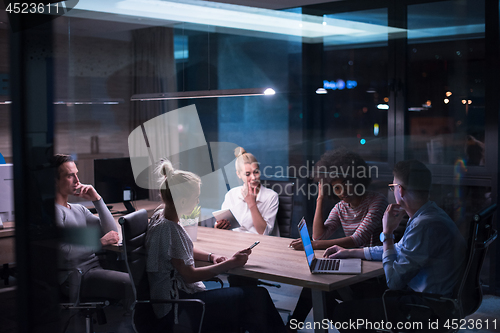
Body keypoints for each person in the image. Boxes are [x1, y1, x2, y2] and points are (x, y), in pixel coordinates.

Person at [145, 159, 286, 333]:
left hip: (174, 298)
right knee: (257, 296)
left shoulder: (161, 216)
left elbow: (179, 250)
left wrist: (211, 257)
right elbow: (189, 276)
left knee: (249, 303)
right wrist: (229, 263)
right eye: (196, 198)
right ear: (181, 201)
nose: (197, 202)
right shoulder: (170, 228)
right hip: (178, 305)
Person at [324, 160, 466, 332]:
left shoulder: (424, 225)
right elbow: (399, 249)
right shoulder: (429, 214)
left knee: (343, 313)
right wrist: (349, 252)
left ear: (400, 190)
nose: (392, 191)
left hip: (426, 306)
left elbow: (394, 281)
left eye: (392, 186)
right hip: (428, 297)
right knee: (339, 291)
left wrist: (388, 233)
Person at [287, 149, 388, 329]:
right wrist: (320, 198)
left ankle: (291, 328)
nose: (342, 191)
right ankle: (291, 328)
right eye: (336, 187)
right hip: (354, 267)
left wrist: (313, 244)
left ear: (357, 180)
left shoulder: (376, 201)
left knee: (317, 289)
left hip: (374, 275)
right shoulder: (340, 207)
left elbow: (357, 239)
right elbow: (319, 234)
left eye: (346, 184)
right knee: (315, 287)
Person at [53, 154, 132, 310]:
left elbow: (111, 232)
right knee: (133, 284)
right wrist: (100, 242)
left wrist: (97, 199)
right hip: (75, 277)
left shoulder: (78, 209)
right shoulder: (54, 212)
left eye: (77, 174)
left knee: (141, 277)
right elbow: (65, 253)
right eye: (70, 176)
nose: (77, 180)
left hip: (93, 269)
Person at [215, 147, 279, 236]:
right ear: (239, 174)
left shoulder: (271, 196)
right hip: (236, 242)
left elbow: (265, 233)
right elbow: (223, 224)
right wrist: (219, 226)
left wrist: (252, 204)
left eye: (256, 172)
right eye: (247, 174)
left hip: (261, 243)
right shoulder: (231, 194)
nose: (253, 177)